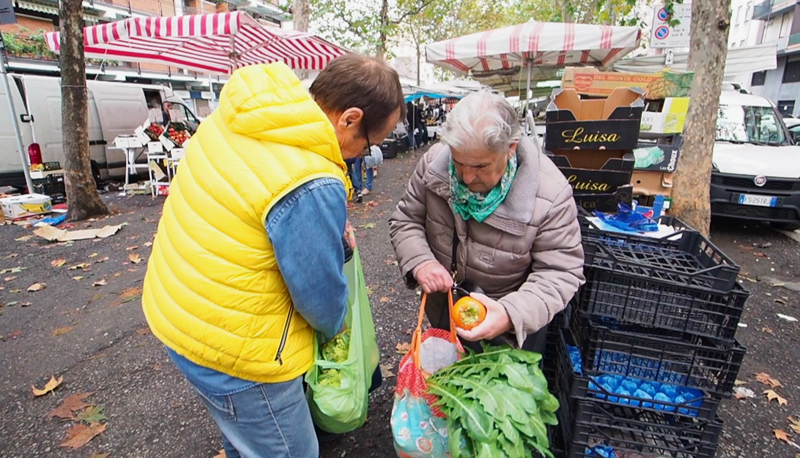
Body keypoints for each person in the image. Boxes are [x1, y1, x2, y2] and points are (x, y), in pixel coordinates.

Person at [142, 54, 405, 458]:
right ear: (349, 118)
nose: (360, 156)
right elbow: (319, 298)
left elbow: (247, 209)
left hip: (181, 314)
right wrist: (339, 328)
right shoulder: (310, 179)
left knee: (245, 439)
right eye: (368, 145)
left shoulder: (244, 113)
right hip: (240, 351)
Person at [389, 90, 585, 354]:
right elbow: (406, 220)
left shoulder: (550, 194)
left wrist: (509, 314)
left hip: (511, 332)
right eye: (458, 163)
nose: (467, 178)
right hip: (445, 312)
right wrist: (421, 261)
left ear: (510, 148)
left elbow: (561, 271)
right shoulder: (433, 164)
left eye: (480, 166)